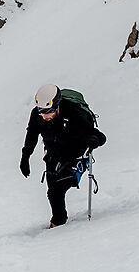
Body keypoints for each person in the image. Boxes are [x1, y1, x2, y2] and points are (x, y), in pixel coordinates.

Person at [19, 82, 105, 228]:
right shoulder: (37, 115)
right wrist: (25, 157)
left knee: (55, 191)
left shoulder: (75, 113)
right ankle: (58, 221)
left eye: (49, 111)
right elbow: (31, 135)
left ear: (57, 105)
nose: (44, 115)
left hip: (76, 158)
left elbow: (100, 136)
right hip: (53, 155)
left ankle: (58, 225)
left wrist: (92, 141)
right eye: (41, 111)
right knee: (52, 191)